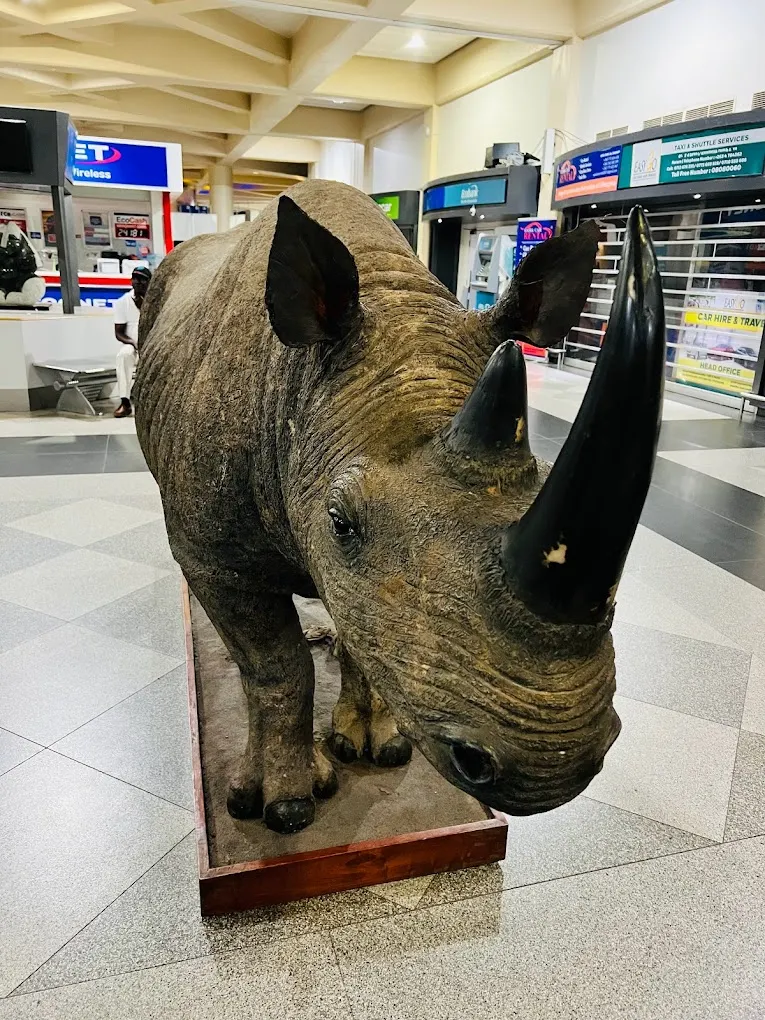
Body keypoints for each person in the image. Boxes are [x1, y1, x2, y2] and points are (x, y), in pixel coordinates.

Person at [113, 266, 151, 417]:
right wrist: (133, 343)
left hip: (152, 344)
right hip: (133, 344)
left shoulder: (154, 301)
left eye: (141, 279)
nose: (137, 282)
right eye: (135, 278)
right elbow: (118, 333)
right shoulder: (123, 302)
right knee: (123, 356)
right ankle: (125, 402)